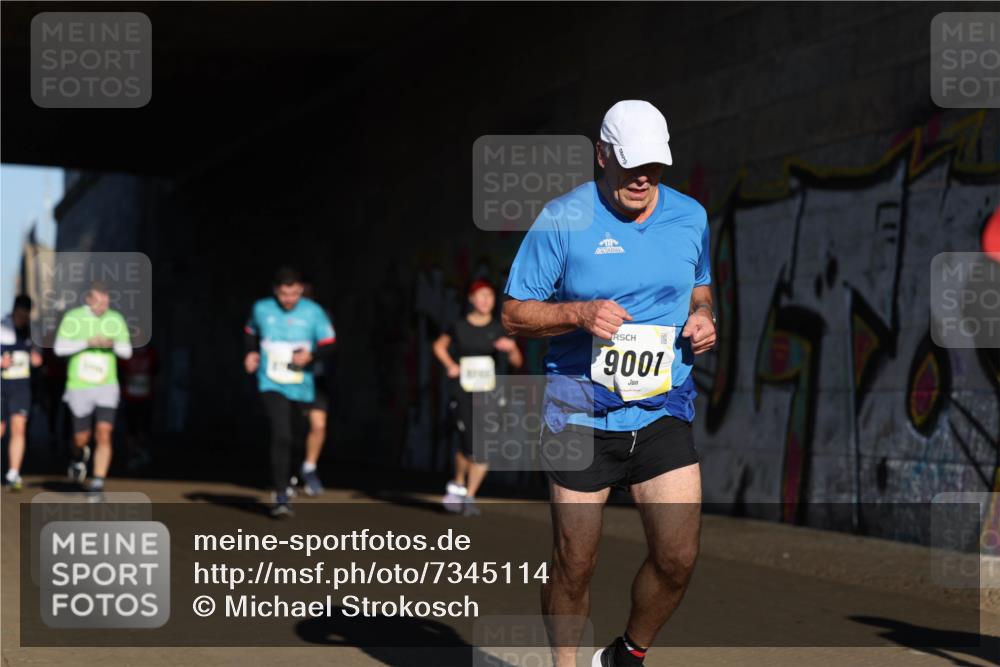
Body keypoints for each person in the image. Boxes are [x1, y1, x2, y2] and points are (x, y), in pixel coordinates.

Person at [502, 100, 716, 667]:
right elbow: (514, 314)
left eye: (654, 165)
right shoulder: (562, 219)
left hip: (662, 407)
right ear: (602, 155)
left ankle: (627, 654)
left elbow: (699, 284)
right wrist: (578, 313)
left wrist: (703, 314)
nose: (643, 177)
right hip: (579, 413)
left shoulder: (690, 217)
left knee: (677, 558)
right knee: (575, 562)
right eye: (631, 163)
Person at [244, 267, 335, 518]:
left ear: (301, 291)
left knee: (298, 434)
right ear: (276, 291)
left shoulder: (314, 312)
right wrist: (251, 353)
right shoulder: (261, 308)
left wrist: (311, 355)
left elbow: (330, 344)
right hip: (271, 381)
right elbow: (250, 331)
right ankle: (281, 495)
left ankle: (297, 472)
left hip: (301, 384)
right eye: (284, 294)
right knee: (281, 433)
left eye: (294, 294)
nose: (289, 300)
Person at [433, 279, 523, 516]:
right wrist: (451, 365)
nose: (485, 300)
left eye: (489, 296)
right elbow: (439, 346)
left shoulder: (499, 328)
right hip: (463, 392)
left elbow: (517, 362)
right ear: (471, 299)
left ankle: (469, 495)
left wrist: (511, 349)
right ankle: (458, 483)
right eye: (481, 295)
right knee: (469, 443)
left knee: (484, 445)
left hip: (489, 393)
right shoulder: (459, 326)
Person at [55, 283, 133, 492]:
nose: (102, 306)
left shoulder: (115, 319)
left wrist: (112, 344)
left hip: (107, 385)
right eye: (98, 302)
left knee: (104, 432)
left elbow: (127, 352)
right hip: (79, 386)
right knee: (81, 438)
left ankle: (98, 481)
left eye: (106, 302)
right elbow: (59, 349)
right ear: (88, 299)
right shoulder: (73, 318)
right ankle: (77, 456)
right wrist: (87, 342)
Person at [1, 295, 43, 490]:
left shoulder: (32, 331)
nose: (21, 320)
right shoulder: (3, 327)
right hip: (2, 385)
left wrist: (36, 358)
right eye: (19, 316)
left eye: (25, 317)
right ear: (14, 311)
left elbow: (38, 357)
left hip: (21, 387)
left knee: (19, 428)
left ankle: (13, 473)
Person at [298, 279, 335, 496]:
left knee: (318, 425)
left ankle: (309, 468)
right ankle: (287, 471)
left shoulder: (321, 316)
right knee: (292, 427)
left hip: (315, 378)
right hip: (288, 379)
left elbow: (330, 344)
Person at [119, 335, 158, 471]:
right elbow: (120, 372)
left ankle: (142, 450)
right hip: (130, 398)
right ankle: (133, 454)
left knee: (144, 428)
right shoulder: (126, 353)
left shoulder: (151, 352)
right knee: (131, 428)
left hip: (146, 397)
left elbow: (156, 370)